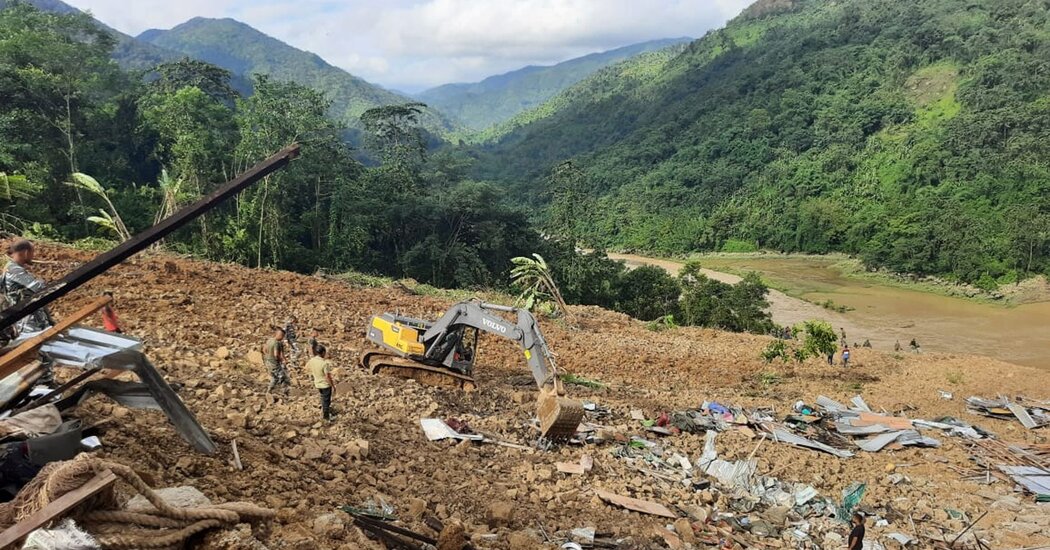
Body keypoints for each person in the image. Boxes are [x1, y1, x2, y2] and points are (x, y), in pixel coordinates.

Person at [2, 239, 56, 385]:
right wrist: (44, 281)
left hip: (27, 318)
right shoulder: (15, 270)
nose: (33, 256)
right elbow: (39, 288)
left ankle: (43, 382)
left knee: (40, 350)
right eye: (32, 252)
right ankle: (43, 383)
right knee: (40, 350)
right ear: (25, 252)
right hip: (29, 320)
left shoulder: (10, 269)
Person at [306, 345, 335, 421]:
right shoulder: (324, 364)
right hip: (325, 385)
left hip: (317, 383)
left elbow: (308, 369)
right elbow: (327, 377)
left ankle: (325, 412)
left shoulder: (312, 360)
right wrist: (332, 386)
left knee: (323, 398)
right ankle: (326, 417)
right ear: (323, 352)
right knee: (326, 401)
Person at [263, 327, 290, 393]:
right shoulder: (276, 343)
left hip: (267, 362)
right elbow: (276, 354)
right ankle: (285, 392)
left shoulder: (269, 340)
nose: (282, 338)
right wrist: (281, 360)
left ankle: (269, 390)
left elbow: (264, 350)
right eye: (282, 336)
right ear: (280, 335)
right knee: (283, 377)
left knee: (274, 377)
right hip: (274, 363)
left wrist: (268, 356)